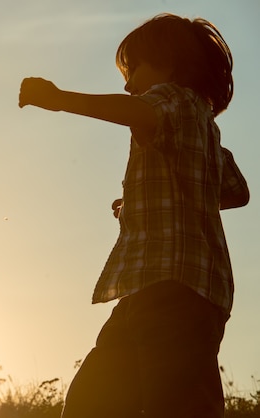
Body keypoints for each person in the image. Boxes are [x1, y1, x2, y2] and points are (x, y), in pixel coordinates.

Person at [18, 13, 249, 418]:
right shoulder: (207, 129)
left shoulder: (173, 99)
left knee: (168, 403)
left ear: (170, 61)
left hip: (173, 290)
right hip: (167, 290)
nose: (128, 84)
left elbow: (137, 112)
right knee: (99, 396)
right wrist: (148, 201)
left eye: (135, 68)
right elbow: (236, 192)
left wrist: (60, 100)